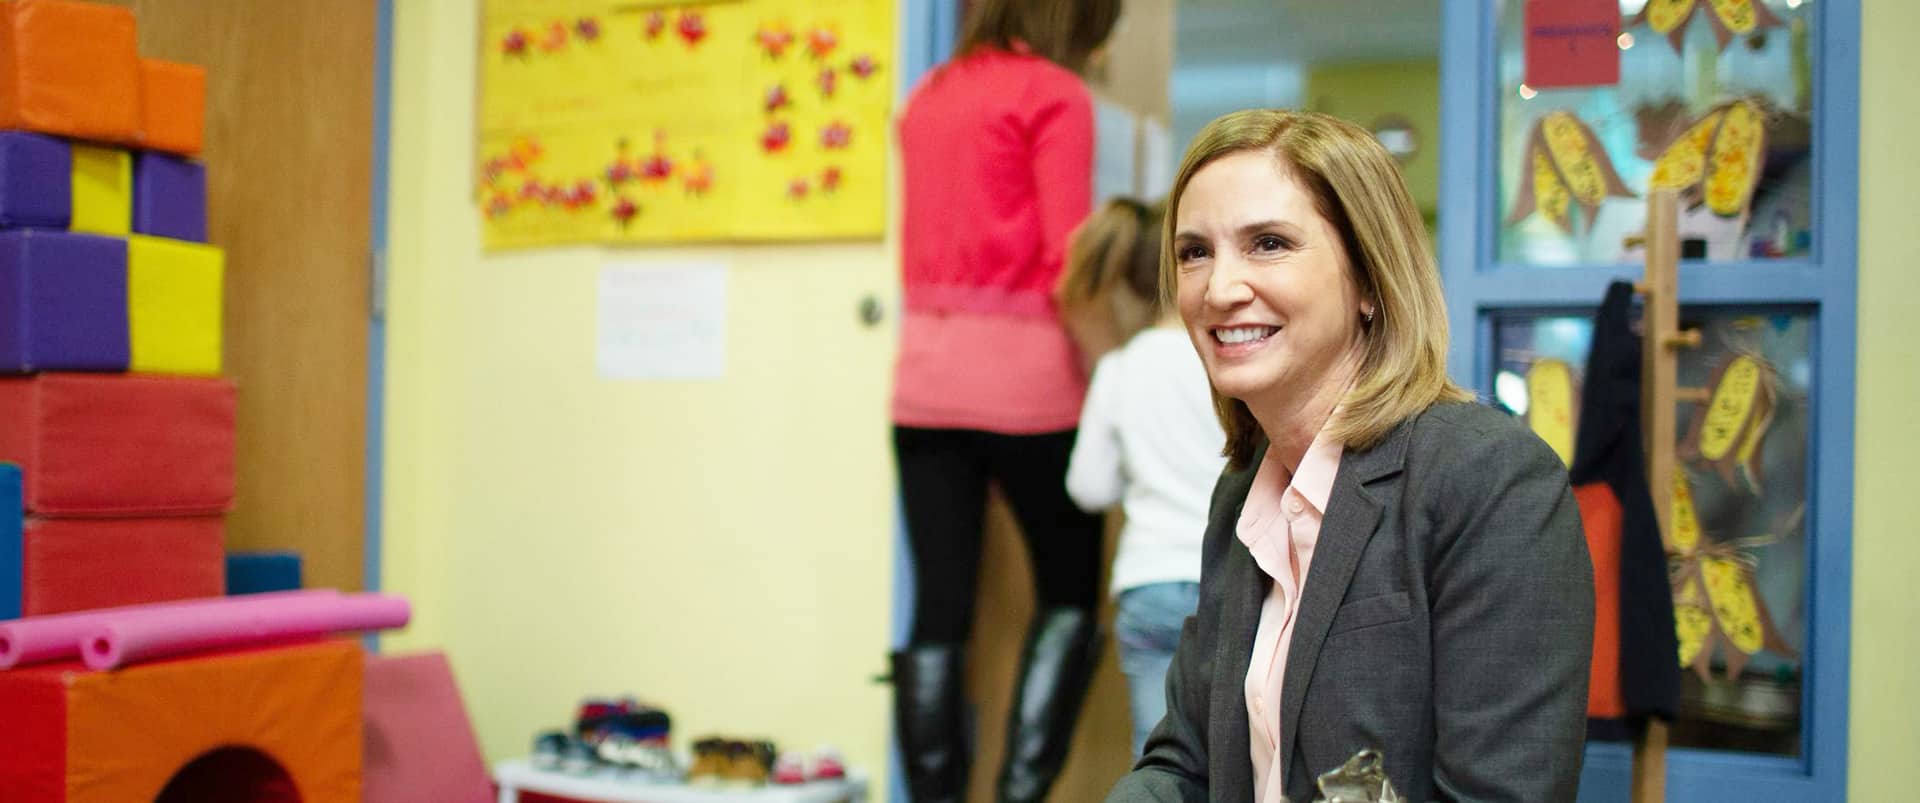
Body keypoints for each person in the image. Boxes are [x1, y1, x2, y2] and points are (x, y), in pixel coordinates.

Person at [1105, 110, 1595, 802]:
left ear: (1369, 279)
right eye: (1194, 252)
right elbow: (1185, 765)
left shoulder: (1491, 480)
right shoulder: (1244, 490)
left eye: (1268, 243)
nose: (1218, 289)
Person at [887, 1, 1123, 802]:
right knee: (1066, 592)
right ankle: (1020, 795)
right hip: (1029, 387)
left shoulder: (929, 95)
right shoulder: (1054, 93)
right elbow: (1070, 259)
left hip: (923, 384)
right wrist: (1116, 370)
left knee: (938, 610)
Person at [1055, 198, 1227, 759]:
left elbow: (1088, 487)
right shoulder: (1227, 361)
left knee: (1159, 754)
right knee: (1236, 750)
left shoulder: (1120, 369)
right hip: (1229, 578)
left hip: (1148, 582)